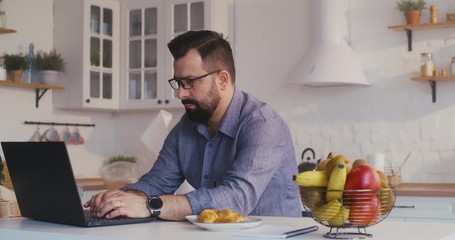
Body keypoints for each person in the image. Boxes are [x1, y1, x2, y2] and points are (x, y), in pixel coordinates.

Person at [84, 30, 302, 221]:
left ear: (223, 80)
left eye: (190, 82)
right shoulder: (188, 124)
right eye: (178, 83)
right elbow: (157, 182)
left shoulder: (263, 125)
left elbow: (237, 198)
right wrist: (118, 199)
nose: (180, 93)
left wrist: (152, 205)